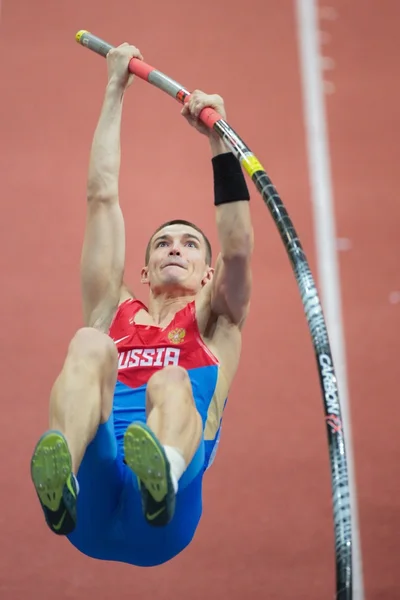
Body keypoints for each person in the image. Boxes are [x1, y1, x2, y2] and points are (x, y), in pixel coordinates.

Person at [30, 43, 254, 567]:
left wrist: (220, 141)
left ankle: (164, 475)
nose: (176, 245)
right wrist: (114, 89)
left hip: (164, 523)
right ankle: (60, 477)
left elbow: (239, 246)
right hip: (90, 504)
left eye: (191, 244)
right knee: (88, 341)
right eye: (163, 243)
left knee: (170, 381)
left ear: (207, 273)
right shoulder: (114, 313)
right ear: (145, 272)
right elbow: (101, 196)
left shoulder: (217, 322)